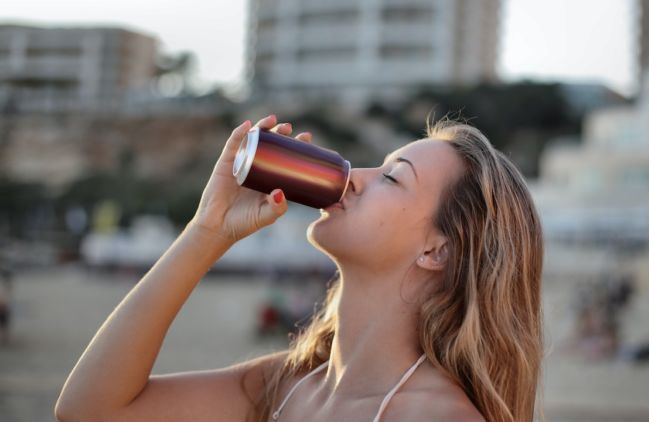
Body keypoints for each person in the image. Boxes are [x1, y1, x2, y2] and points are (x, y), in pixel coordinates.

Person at [55, 113, 544, 422]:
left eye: (392, 178)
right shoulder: (286, 386)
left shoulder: (434, 417)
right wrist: (207, 231)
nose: (353, 176)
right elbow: (90, 409)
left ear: (438, 251)